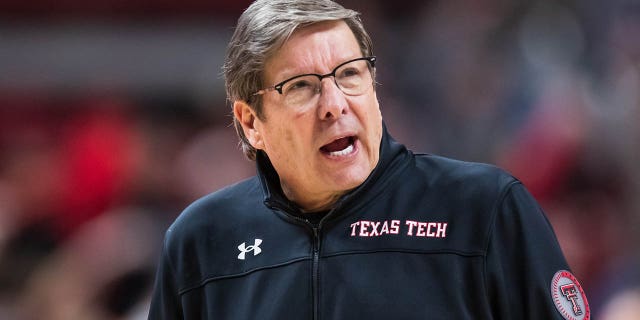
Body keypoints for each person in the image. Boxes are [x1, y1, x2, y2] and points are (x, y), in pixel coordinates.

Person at [148, 0, 590, 319]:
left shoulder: (484, 208)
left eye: (350, 74)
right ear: (250, 122)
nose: (334, 103)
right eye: (302, 86)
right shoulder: (202, 240)